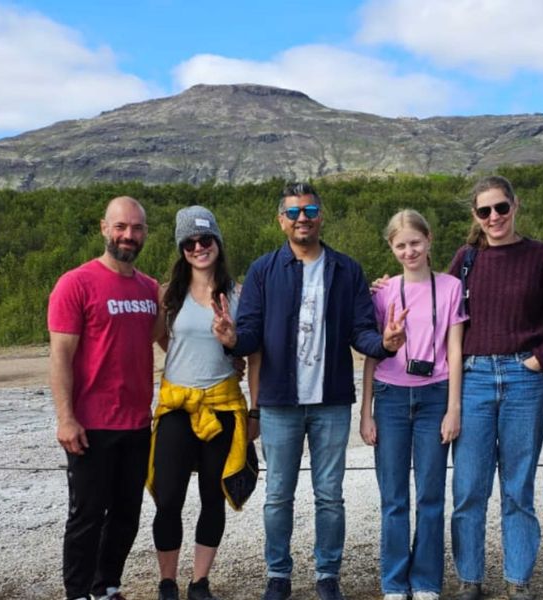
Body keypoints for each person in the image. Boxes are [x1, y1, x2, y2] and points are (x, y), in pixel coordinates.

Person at [211, 182, 408, 600]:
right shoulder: (264, 270)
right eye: (294, 212)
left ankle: (326, 575)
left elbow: (361, 332)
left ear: (321, 216)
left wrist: (386, 345)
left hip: (331, 403)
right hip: (280, 402)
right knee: (278, 495)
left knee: (329, 496)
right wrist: (230, 339)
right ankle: (278, 575)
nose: (303, 218)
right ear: (281, 220)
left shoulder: (346, 269)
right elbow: (249, 335)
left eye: (310, 209)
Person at [447, 175, 543, 600]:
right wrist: (390, 291)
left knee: (518, 486)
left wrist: (540, 358)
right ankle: (470, 579)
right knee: (469, 487)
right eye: (484, 211)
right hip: (475, 378)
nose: (494, 217)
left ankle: (518, 579)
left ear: (515, 206)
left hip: (524, 380)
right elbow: (441, 312)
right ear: (476, 216)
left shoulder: (541, 256)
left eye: (501, 207)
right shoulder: (465, 260)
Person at [48, 196, 159, 600]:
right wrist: (66, 417)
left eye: (137, 228)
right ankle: (77, 593)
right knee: (87, 516)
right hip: (91, 424)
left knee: (127, 515)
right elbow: (60, 355)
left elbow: (174, 343)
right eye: (121, 227)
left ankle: (106, 587)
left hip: (136, 423)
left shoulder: (150, 289)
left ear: (145, 233)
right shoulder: (75, 283)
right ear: (104, 228)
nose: (128, 235)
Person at [149, 205, 259, 600]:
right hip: (178, 406)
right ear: (182, 248)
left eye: (205, 239)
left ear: (218, 243)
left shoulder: (239, 294)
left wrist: (255, 410)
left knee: (213, 498)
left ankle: (199, 582)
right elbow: (161, 337)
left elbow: (254, 352)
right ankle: (166, 583)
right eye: (190, 242)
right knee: (168, 497)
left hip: (223, 405)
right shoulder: (168, 295)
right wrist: (186, 357)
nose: (199, 247)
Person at [360, 209, 467, 600]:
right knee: (393, 497)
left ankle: (425, 581)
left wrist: (453, 408)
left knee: (430, 495)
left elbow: (454, 350)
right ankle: (393, 581)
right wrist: (365, 411)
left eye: (415, 243)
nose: (409, 251)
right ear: (391, 247)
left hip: (434, 394)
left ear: (429, 240)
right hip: (389, 396)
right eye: (401, 245)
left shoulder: (451, 287)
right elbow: (373, 352)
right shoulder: (383, 293)